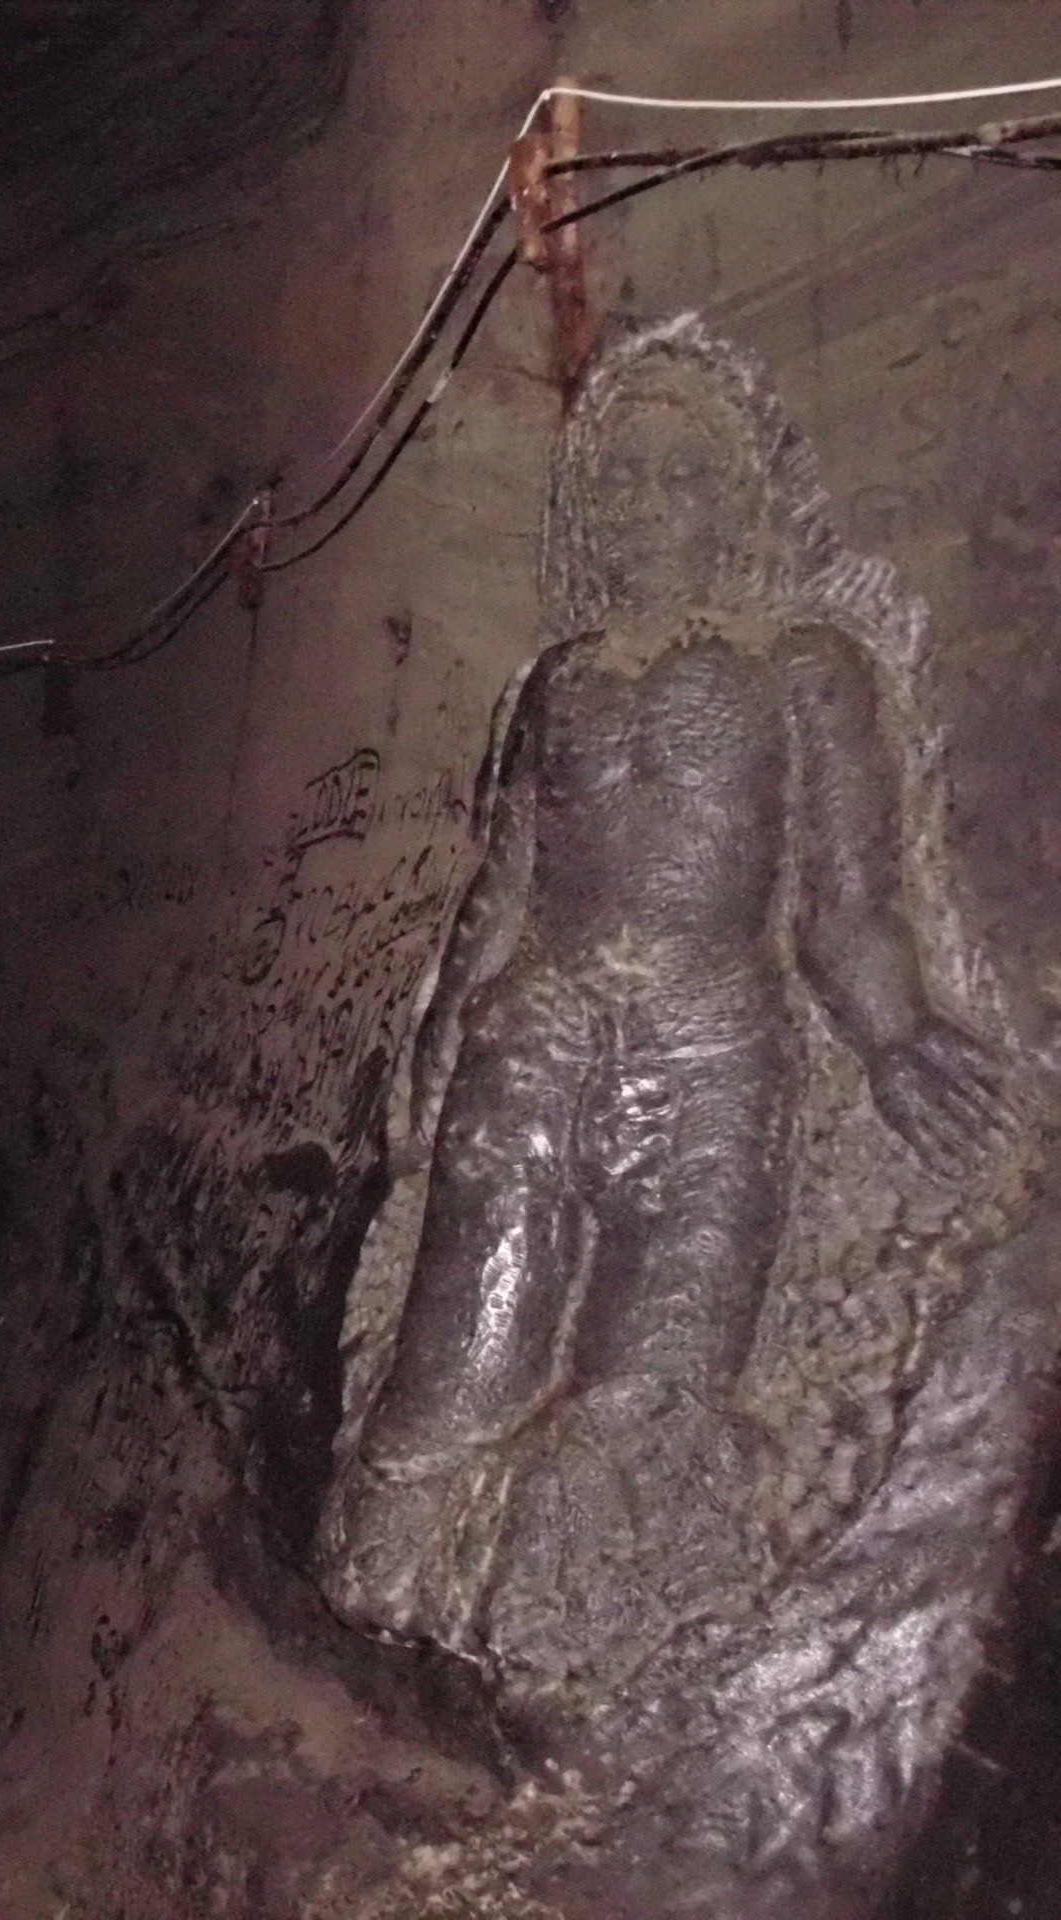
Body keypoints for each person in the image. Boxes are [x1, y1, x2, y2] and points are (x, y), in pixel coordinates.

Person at [330, 316, 1009, 1640]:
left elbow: (847, 898)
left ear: (740, 495)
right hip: (535, 1051)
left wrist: (895, 1036)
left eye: (685, 474)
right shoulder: (560, 682)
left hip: (712, 1066)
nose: (652, 506)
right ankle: (384, 1614)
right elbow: (502, 889)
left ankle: (560, 1655)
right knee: (450, 1390)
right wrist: (433, 1059)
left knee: (646, 1408)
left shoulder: (803, 669)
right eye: (624, 480)